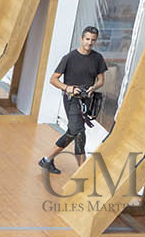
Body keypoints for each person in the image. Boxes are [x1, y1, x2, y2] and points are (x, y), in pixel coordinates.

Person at [40, 25, 107, 174]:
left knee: (73, 131)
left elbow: (101, 80)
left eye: (93, 40)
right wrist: (68, 88)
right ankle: (82, 172)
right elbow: (53, 79)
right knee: (79, 132)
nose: (90, 42)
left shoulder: (98, 58)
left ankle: (47, 160)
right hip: (71, 100)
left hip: (86, 101)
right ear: (81, 39)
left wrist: (93, 87)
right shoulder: (69, 58)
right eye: (87, 39)